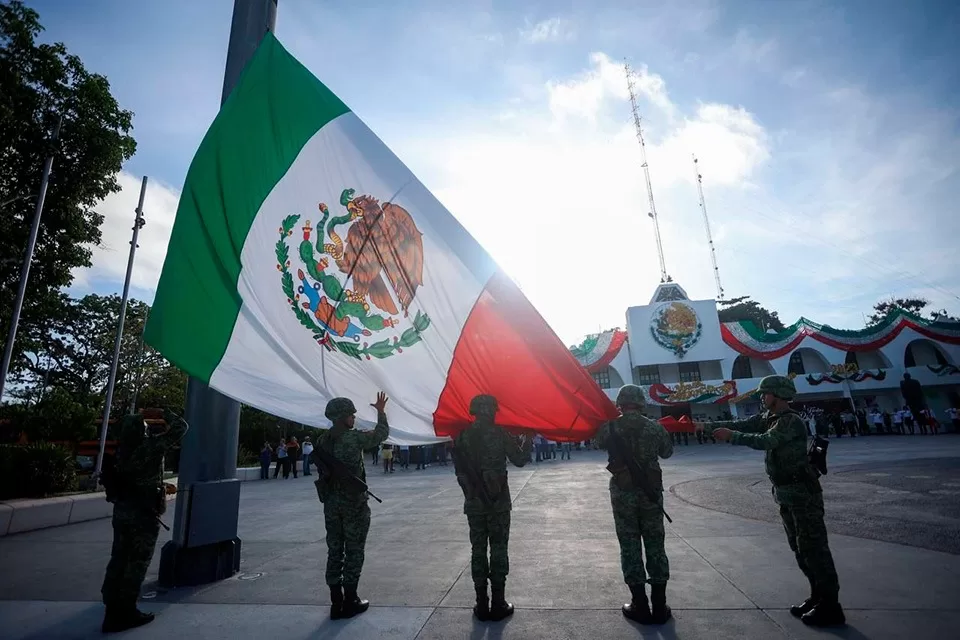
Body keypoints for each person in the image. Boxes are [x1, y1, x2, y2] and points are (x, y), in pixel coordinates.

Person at [695, 375, 845, 627]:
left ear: (776, 394)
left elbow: (766, 441)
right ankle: (817, 596)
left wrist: (731, 436)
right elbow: (743, 423)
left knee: (815, 550)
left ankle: (831, 606)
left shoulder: (790, 422)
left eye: (765, 394)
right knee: (800, 549)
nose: (762, 398)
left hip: (802, 494)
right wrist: (704, 426)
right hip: (786, 492)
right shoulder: (769, 418)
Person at [100, 408, 188, 633]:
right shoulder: (149, 447)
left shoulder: (121, 453)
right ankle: (126, 611)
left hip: (122, 513)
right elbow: (181, 428)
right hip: (143, 514)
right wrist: (162, 413)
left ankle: (111, 610)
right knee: (137, 562)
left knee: (118, 559)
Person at [594, 384, 674, 624]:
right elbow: (667, 452)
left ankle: (639, 603)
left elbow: (597, 444)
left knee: (629, 545)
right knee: (655, 544)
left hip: (623, 493)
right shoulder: (654, 428)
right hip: (651, 494)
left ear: (620, 403)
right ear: (640, 403)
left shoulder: (609, 427)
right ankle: (659, 606)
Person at [453, 395, 531, 621]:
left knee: (477, 549)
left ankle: (481, 603)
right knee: (498, 548)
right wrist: (528, 439)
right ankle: (498, 602)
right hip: (498, 503)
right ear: (491, 411)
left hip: (474, 503)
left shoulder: (462, 437)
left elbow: (459, 469)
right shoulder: (498, 434)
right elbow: (520, 460)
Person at [313, 393, 390, 619]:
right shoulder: (353, 438)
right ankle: (351, 600)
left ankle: (336, 603)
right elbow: (381, 434)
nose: (354, 418)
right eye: (351, 415)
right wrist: (381, 411)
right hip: (353, 505)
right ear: (342, 417)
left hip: (331, 505)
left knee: (335, 550)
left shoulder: (322, 441)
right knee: (354, 550)